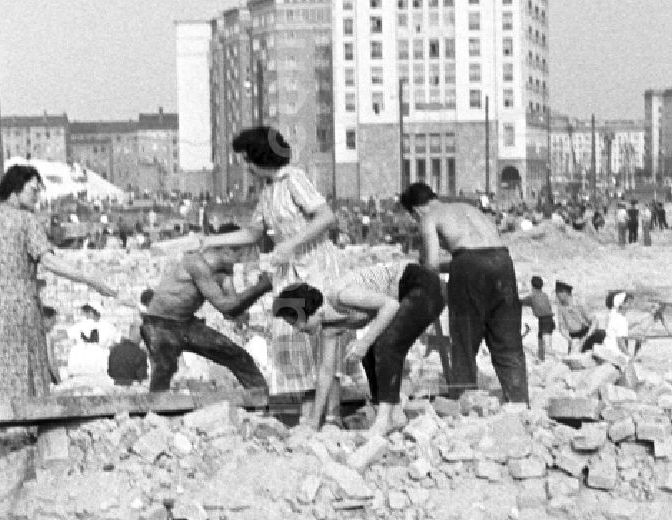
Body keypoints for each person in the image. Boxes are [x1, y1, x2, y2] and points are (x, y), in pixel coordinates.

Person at [0, 163, 116, 401]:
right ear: (15, 191)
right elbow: (48, 261)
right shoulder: (27, 221)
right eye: (33, 190)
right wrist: (88, 278)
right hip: (20, 305)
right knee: (21, 363)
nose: (37, 196)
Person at [218, 125, 341, 397]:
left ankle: (327, 409)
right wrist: (209, 241)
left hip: (314, 266)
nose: (246, 167)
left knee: (319, 333)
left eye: (247, 159)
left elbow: (325, 217)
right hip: (289, 270)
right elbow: (253, 232)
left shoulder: (294, 179)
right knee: (289, 333)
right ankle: (302, 402)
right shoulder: (268, 191)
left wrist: (291, 244)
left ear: (259, 158)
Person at [273, 257, 444, 434]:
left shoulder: (341, 296)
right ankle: (394, 413)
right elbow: (325, 372)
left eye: (296, 323)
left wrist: (364, 341)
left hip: (421, 284)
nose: (298, 329)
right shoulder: (329, 329)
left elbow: (390, 305)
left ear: (313, 312)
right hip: (406, 296)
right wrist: (314, 422)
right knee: (370, 353)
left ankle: (385, 419)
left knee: (385, 347)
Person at [399, 183, 529, 404]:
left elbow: (431, 264)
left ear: (416, 210)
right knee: (508, 340)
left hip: (468, 265)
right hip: (502, 261)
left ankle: (464, 399)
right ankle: (519, 401)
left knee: (464, 339)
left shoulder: (429, 217)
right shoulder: (470, 209)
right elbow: (475, 253)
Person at [140, 234, 272, 394]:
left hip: (187, 324)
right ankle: (156, 411)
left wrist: (255, 293)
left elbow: (232, 309)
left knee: (235, 354)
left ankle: (262, 398)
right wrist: (261, 287)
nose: (241, 261)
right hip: (159, 324)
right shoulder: (195, 263)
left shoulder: (224, 271)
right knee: (164, 368)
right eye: (240, 254)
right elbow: (226, 306)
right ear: (227, 251)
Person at [553, 279, 592, 354]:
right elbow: (562, 327)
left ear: (565, 292)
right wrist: (570, 340)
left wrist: (585, 338)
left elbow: (594, 322)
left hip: (585, 335)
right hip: (573, 338)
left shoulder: (579, 303)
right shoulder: (560, 307)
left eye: (558, 292)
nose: (557, 295)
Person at [524, 275, 555, 361]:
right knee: (542, 339)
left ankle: (548, 360)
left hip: (544, 320)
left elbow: (522, 302)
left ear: (532, 286)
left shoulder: (532, 296)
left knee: (545, 342)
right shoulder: (545, 295)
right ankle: (542, 359)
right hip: (548, 319)